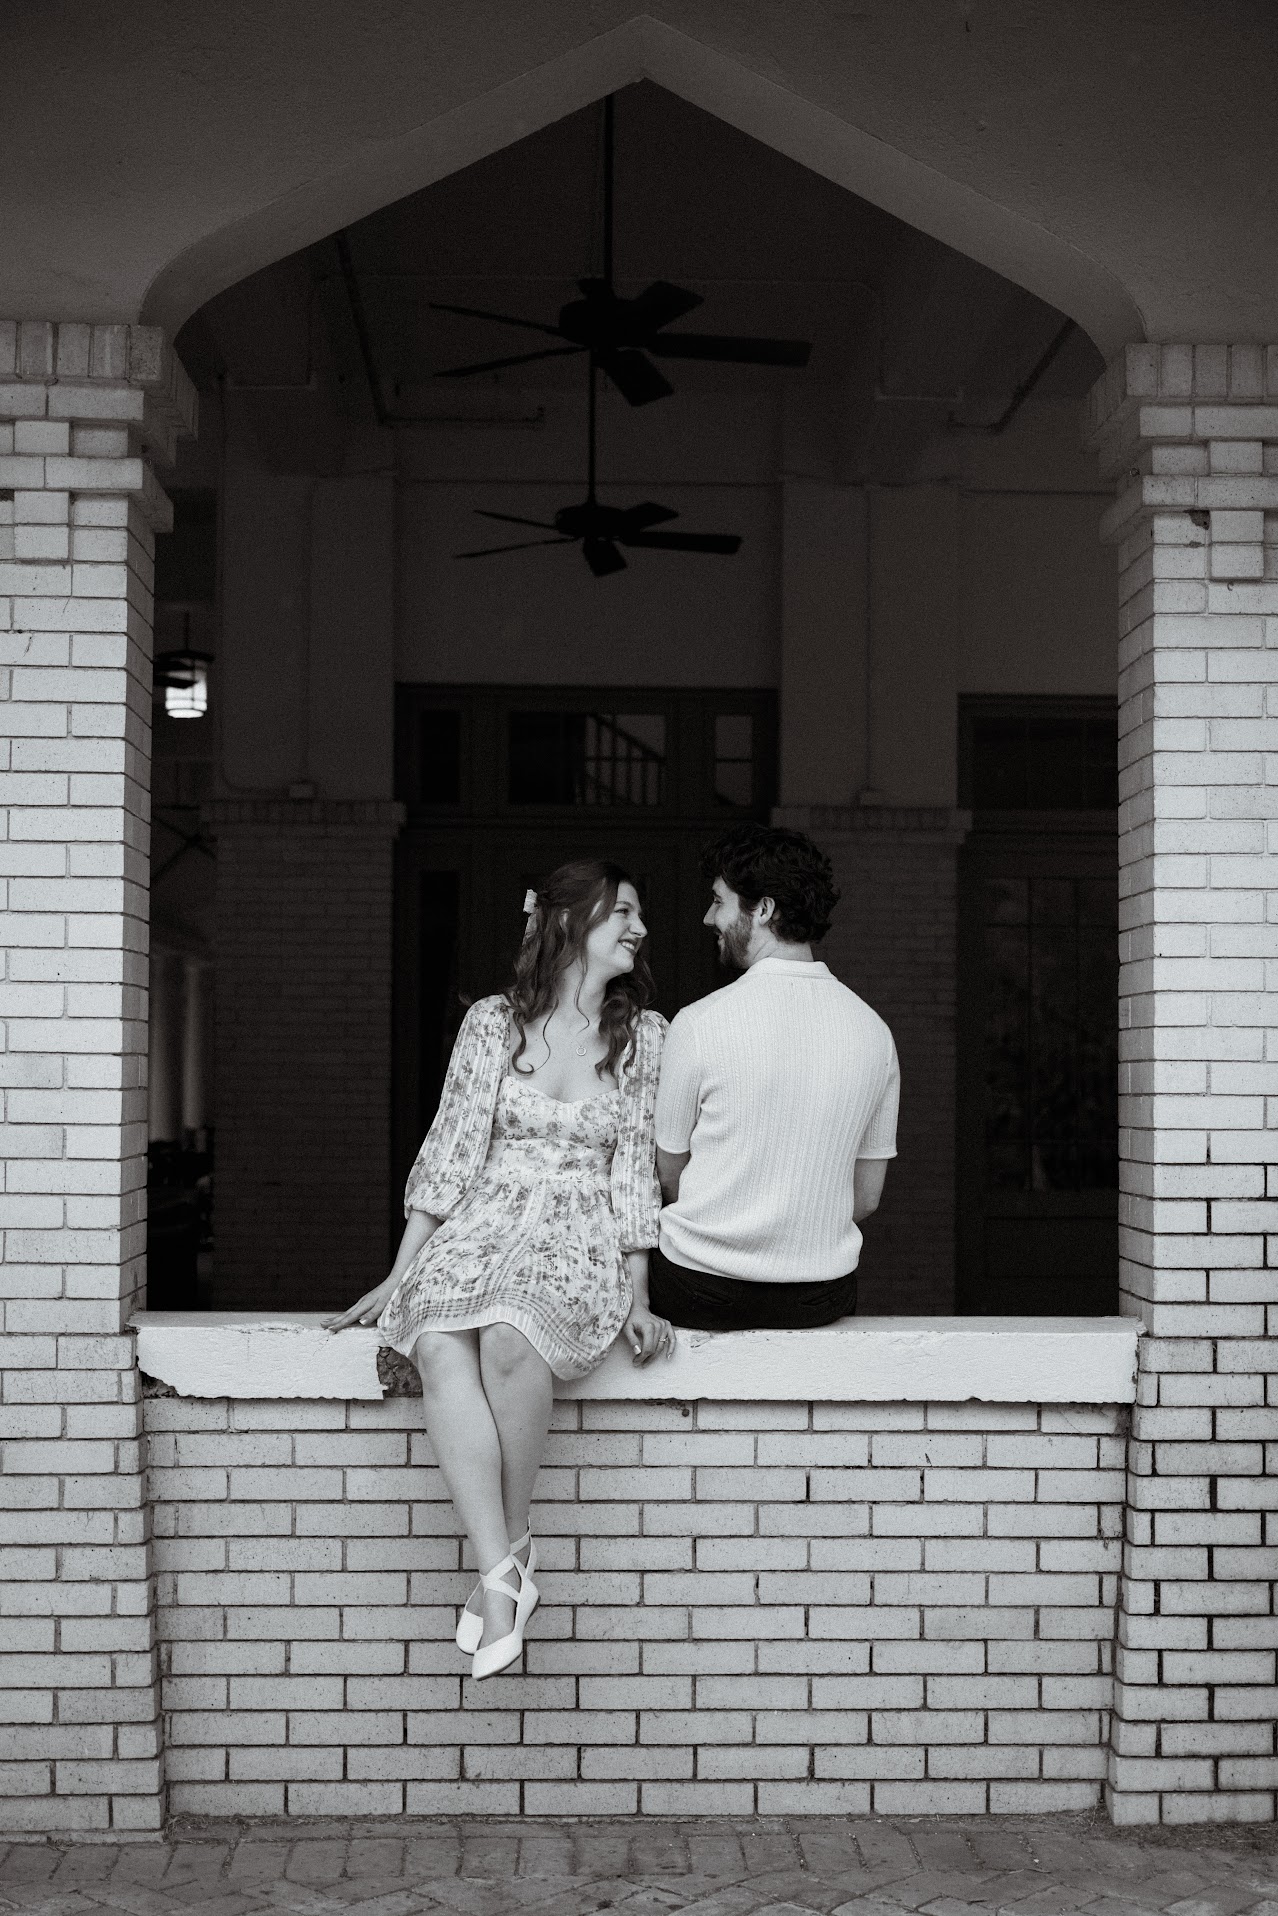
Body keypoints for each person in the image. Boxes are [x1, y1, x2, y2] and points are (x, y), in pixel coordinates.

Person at [324, 860, 672, 1679]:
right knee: (439, 1338)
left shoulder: (646, 1037)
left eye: (639, 915)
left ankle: (506, 1563)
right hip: (479, 1225)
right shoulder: (492, 1022)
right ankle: (504, 1570)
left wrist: (638, 1290)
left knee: (512, 1337)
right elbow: (450, 1154)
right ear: (567, 922)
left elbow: (634, 1175)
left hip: (575, 1234)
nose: (639, 928)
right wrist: (397, 1275)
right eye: (622, 911)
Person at [651, 822, 898, 1333]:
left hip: (699, 1289)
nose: (708, 917)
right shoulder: (875, 1032)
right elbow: (867, 1198)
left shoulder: (698, 1022)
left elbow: (669, 1177)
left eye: (719, 901)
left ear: (762, 909)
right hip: (819, 1296)